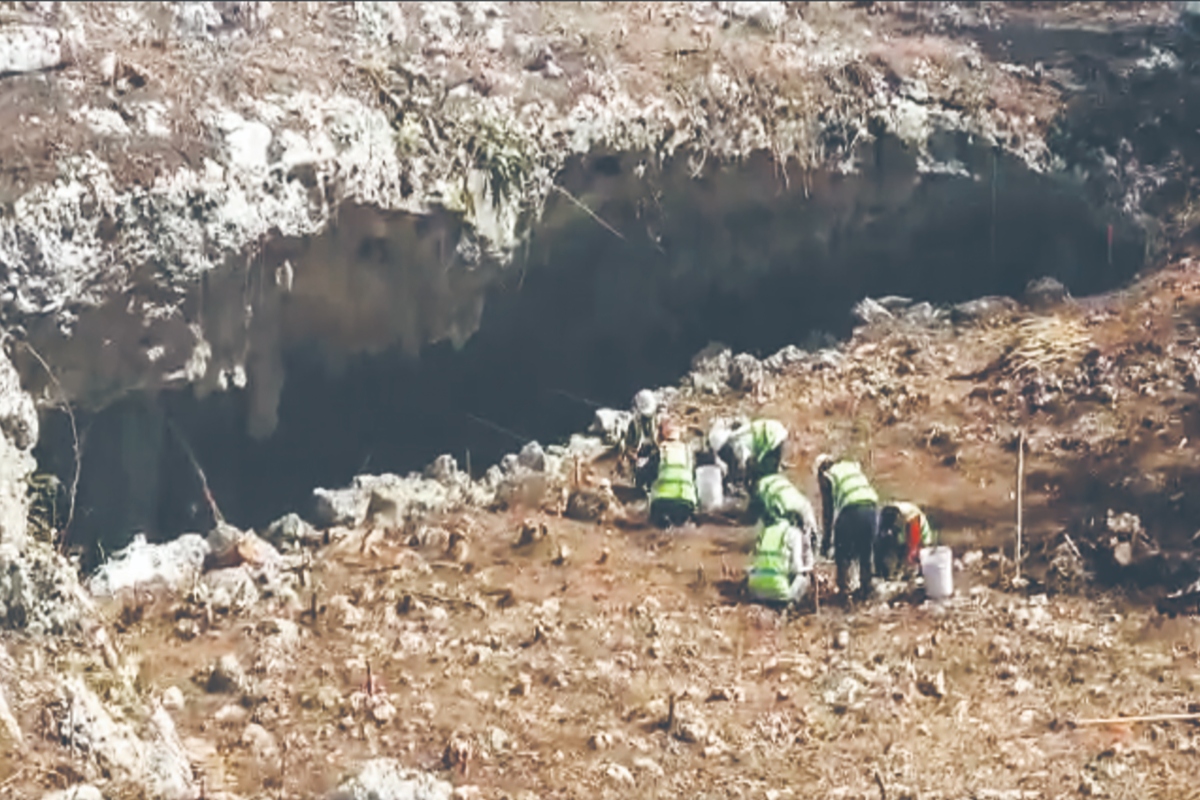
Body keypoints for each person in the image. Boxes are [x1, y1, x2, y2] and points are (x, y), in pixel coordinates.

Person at [815, 454, 880, 601]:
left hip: (852, 509)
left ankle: (843, 594)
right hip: (872, 508)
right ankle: (866, 590)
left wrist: (825, 541)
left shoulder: (827, 476)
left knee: (842, 552)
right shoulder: (852, 466)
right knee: (865, 553)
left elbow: (828, 512)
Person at [747, 517, 815, 606]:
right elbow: (796, 568)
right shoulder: (793, 533)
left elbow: (751, 565)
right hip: (779, 593)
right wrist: (809, 568)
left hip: (755, 592)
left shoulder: (765, 531)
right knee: (803, 577)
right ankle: (789, 606)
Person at [710, 418, 788, 490]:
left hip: (768, 436)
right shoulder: (734, 440)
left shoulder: (736, 447)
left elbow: (743, 464)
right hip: (769, 431)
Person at [648, 419, 698, 529]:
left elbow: (647, 475)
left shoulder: (660, 451)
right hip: (686, 500)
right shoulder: (687, 451)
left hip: (662, 502)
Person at [876, 501, 936, 580]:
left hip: (892, 513)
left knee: (887, 543)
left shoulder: (916, 524)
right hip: (902, 515)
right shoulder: (914, 522)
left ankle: (889, 570)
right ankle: (889, 570)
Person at [625, 390, 660, 492]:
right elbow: (628, 448)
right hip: (638, 462)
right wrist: (635, 458)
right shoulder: (632, 425)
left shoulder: (655, 422)